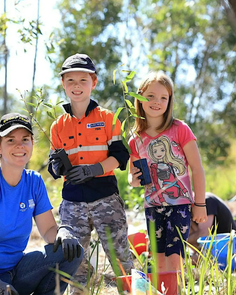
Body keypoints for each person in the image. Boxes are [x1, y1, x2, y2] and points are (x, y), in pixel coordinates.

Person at [0, 113, 83, 295]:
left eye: (25, 139)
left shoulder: (34, 182)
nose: (19, 145)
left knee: (72, 251)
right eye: (11, 140)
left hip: (13, 272)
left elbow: (47, 230)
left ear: (32, 144)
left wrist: (63, 232)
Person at [48, 53, 134, 294]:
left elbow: (120, 156)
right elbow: (54, 166)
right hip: (72, 201)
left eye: (83, 80)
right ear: (63, 84)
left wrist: (93, 170)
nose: (77, 86)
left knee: (120, 260)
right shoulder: (58, 126)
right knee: (76, 262)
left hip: (106, 198)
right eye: (71, 81)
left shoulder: (108, 118)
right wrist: (57, 165)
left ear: (93, 82)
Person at [128, 71, 207, 272]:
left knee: (175, 258)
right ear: (139, 98)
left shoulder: (180, 129)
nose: (157, 101)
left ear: (169, 101)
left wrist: (199, 204)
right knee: (158, 259)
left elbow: (197, 169)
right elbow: (132, 175)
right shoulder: (135, 139)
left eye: (163, 97)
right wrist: (134, 180)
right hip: (152, 206)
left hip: (179, 205)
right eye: (150, 96)